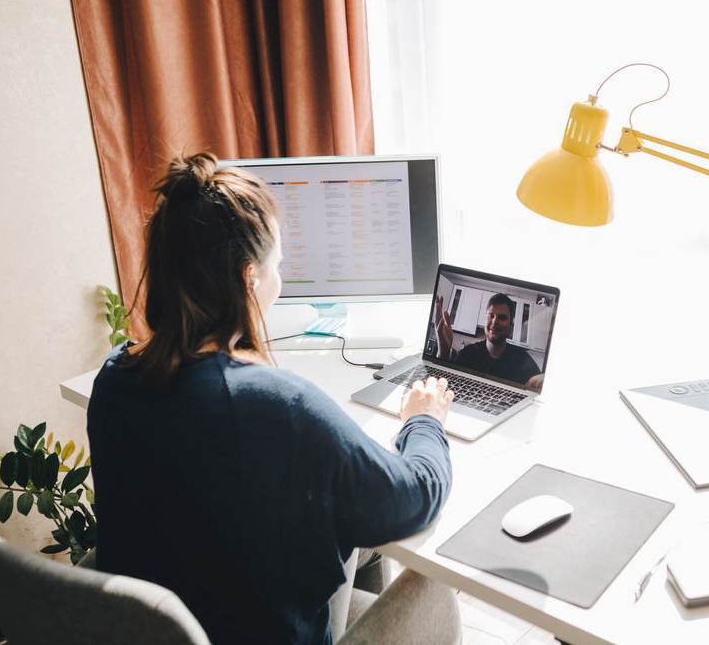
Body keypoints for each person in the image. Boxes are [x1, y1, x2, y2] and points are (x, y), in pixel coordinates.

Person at [87, 153, 457, 644]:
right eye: (277, 265)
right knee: (436, 583)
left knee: (351, 528)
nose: (279, 279)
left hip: (156, 627)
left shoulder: (114, 379)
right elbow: (417, 496)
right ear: (249, 279)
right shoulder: (279, 407)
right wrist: (424, 421)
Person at [434, 292, 543, 389]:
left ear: (511, 324)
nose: (494, 321)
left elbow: (539, 386)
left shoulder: (523, 360)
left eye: (502, 317)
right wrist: (443, 353)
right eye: (491, 315)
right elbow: (445, 387)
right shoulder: (467, 354)